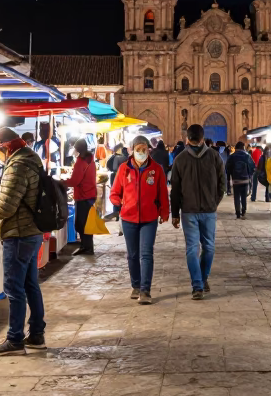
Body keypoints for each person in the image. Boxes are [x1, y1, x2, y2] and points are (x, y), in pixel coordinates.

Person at [0, 128, 47, 356]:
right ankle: (36, 334)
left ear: (4, 145)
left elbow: (6, 206)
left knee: (14, 289)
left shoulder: (17, 165)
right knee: (30, 285)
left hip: (19, 233)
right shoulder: (31, 157)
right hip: (32, 232)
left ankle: (14, 340)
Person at [110, 135, 169, 304]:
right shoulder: (124, 169)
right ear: (132, 150)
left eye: (144, 149)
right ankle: (135, 285)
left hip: (149, 218)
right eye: (138, 150)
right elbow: (114, 193)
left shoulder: (156, 169)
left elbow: (163, 193)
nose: (141, 153)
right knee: (132, 255)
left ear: (149, 150)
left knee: (146, 254)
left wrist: (164, 212)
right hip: (128, 218)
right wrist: (119, 203)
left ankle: (145, 290)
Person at [170, 124, 226, 299]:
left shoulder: (181, 159)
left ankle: (200, 281)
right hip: (197, 212)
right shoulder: (213, 157)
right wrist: (213, 202)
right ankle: (198, 283)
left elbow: (175, 190)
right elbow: (222, 184)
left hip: (195, 211)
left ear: (188, 138)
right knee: (205, 248)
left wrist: (175, 214)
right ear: (203, 138)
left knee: (197, 249)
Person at [68, 139, 100, 256]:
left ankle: (87, 248)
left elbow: (75, 180)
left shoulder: (81, 162)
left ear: (78, 149)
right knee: (86, 223)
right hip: (90, 194)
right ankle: (86, 246)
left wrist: (61, 183)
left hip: (83, 196)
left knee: (81, 224)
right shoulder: (90, 160)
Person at [225, 142, 255, 218]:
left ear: (236, 148)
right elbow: (252, 167)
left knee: (236, 196)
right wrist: (249, 175)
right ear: (243, 147)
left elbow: (227, 168)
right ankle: (244, 211)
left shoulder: (232, 156)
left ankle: (238, 212)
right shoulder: (247, 156)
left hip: (236, 179)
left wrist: (230, 177)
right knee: (243, 196)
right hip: (245, 179)